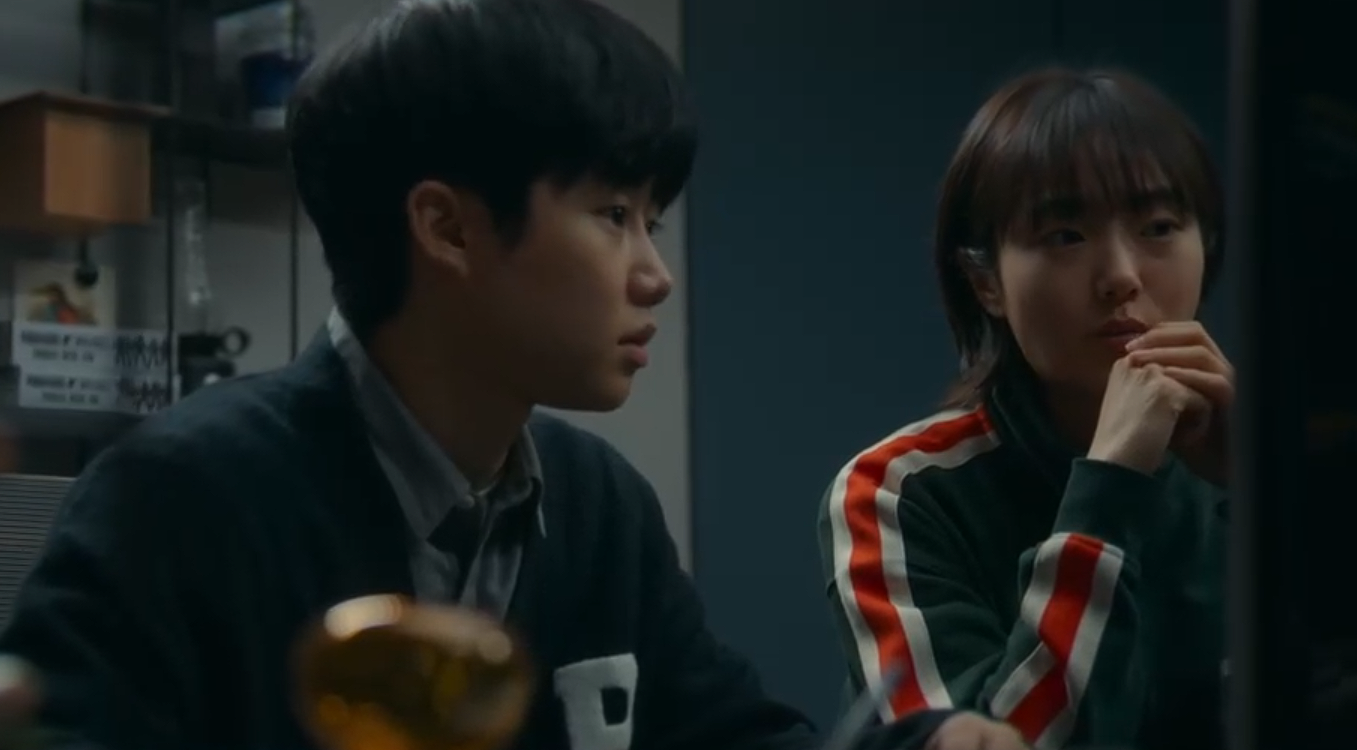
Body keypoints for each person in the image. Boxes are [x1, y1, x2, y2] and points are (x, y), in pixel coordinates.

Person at [0, 1, 1019, 748]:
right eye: (612, 215)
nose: (654, 275)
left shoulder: (597, 505)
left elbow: (725, 739)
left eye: (652, 222)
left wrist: (920, 745)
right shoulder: (183, 494)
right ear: (446, 227)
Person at [818, 67, 1230, 750]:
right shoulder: (896, 491)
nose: (1121, 276)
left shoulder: (1254, 469)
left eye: (1158, 227)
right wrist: (1109, 484)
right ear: (985, 282)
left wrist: (1280, 505)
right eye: (1065, 236)